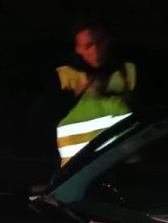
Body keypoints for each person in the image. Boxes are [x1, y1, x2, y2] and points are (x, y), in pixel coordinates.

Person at [54, 20, 137, 165]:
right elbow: (48, 112)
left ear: (109, 41)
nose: (96, 51)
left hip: (121, 162)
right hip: (79, 169)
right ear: (78, 49)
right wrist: (82, 87)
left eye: (100, 43)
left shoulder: (127, 70)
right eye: (88, 46)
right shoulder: (66, 75)